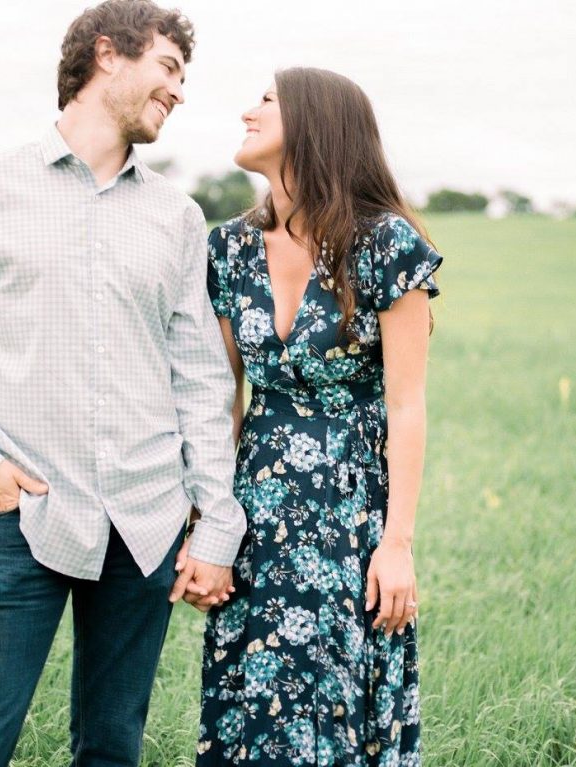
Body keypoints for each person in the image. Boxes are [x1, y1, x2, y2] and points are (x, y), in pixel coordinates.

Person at [0, 2, 245, 765]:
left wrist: (214, 519)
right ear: (107, 55)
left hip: (147, 527)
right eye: (169, 68)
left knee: (112, 749)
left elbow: (201, 381)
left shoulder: (177, 217)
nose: (179, 91)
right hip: (25, 521)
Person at [191, 68, 442, 766]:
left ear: (315, 122)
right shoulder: (228, 249)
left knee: (338, 708)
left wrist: (398, 543)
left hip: (349, 518)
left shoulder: (387, 247)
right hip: (255, 515)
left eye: (266, 101)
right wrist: (208, 523)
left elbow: (407, 403)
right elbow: (221, 400)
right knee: (253, 709)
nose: (247, 111)